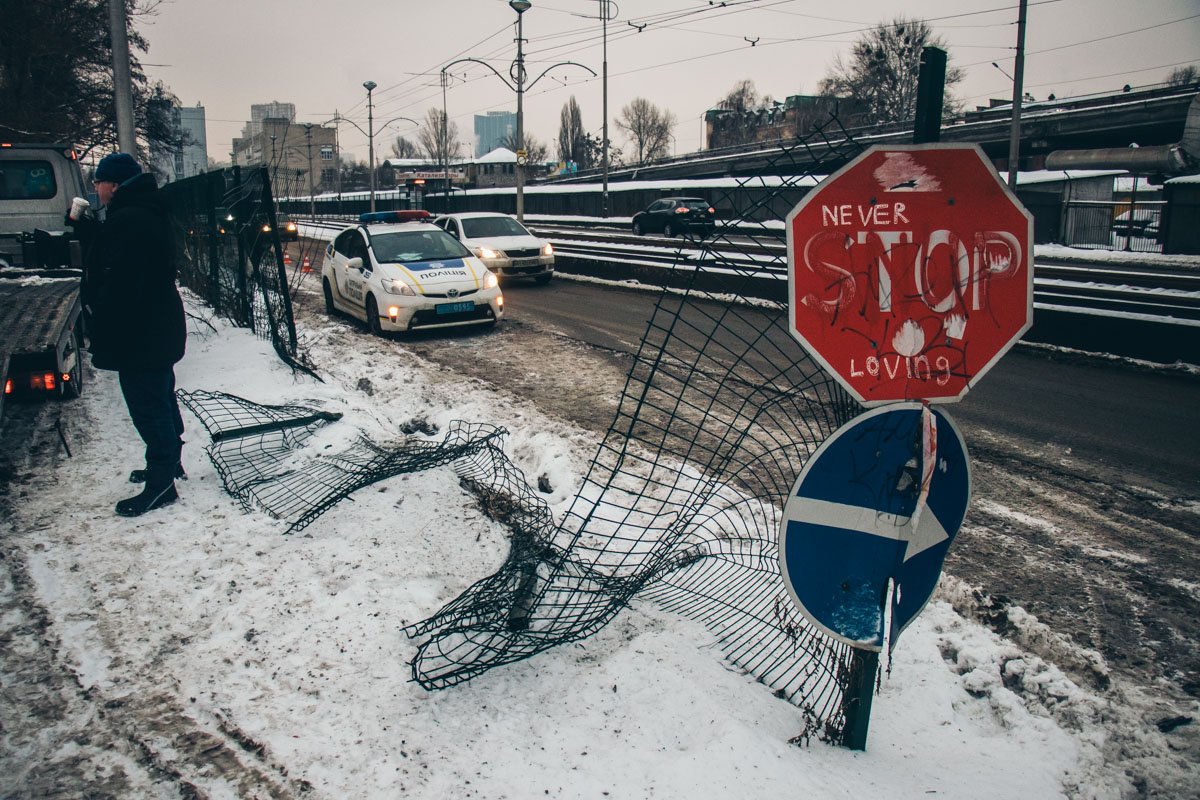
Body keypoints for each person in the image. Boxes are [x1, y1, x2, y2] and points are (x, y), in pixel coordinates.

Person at [71, 152, 187, 517]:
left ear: (114, 184)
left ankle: (161, 484)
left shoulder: (131, 218)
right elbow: (119, 256)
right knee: (161, 400)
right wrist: (89, 231)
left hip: (141, 333)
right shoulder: (141, 212)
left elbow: (121, 279)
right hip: (154, 328)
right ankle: (169, 467)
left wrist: (101, 314)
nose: (96, 189)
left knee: (148, 407)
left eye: (99, 182)